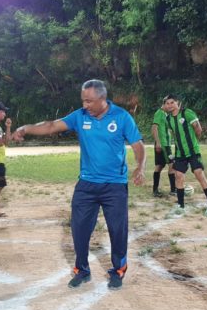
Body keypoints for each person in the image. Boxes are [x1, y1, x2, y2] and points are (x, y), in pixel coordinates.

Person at [12, 79, 145, 290]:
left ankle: (118, 270)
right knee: (79, 229)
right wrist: (25, 128)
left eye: (89, 101)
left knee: (117, 231)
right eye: (83, 100)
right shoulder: (80, 116)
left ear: (102, 99)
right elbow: (52, 125)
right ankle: (82, 270)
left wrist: (140, 167)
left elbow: (137, 145)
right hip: (87, 185)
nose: (85, 105)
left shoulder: (121, 117)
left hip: (114, 185)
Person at [163, 93, 207, 217]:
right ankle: (180, 206)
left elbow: (198, 129)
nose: (170, 105)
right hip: (180, 153)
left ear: (177, 103)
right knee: (178, 176)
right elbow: (174, 135)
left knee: (199, 174)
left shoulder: (187, 113)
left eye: (172, 102)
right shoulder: (168, 119)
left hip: (193, 151)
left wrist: (193, 143)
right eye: (167, 103)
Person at [151, 98, 176, 197]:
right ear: (164, 104)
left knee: (159, 166)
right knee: (172, 165)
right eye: (168, 104)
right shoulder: (159, 113)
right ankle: (173, 190)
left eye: (171, 104)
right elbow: (154, 128)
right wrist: (158, 142)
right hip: (163, 144)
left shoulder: (165, 114)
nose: (170, 106)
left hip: (165, 144)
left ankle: (155, 190)